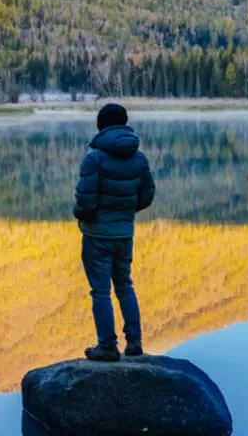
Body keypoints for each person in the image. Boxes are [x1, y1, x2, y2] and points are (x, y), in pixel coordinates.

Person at [73, 103, 156, 361]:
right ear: (124, 123)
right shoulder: (139, 158)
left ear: (101, 126)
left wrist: (82, 215)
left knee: (100, 292)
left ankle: (107, 346)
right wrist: (125, 212)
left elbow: (85, 201)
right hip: (124, 233)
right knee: (124, 286)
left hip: (97, 235)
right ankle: (134, 341)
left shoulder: (94, 159)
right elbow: (147, 195)